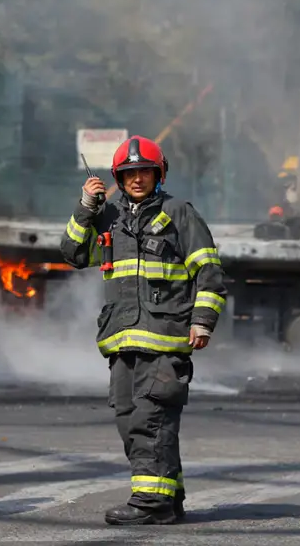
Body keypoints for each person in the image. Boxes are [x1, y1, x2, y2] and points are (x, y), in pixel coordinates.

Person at [61, 135, 228, 525]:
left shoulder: (179, 213)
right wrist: (86, 208)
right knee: (128, 418)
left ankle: (151, 504)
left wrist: (202, 321)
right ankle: (169, 496)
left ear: (159, 173)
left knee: (149, 420)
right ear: (119, 177)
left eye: (145, 172)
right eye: (130, 173)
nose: (138, 179)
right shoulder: (109, 216)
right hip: (122, 340)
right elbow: (73, 254)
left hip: (165, 338)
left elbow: (209, 270)